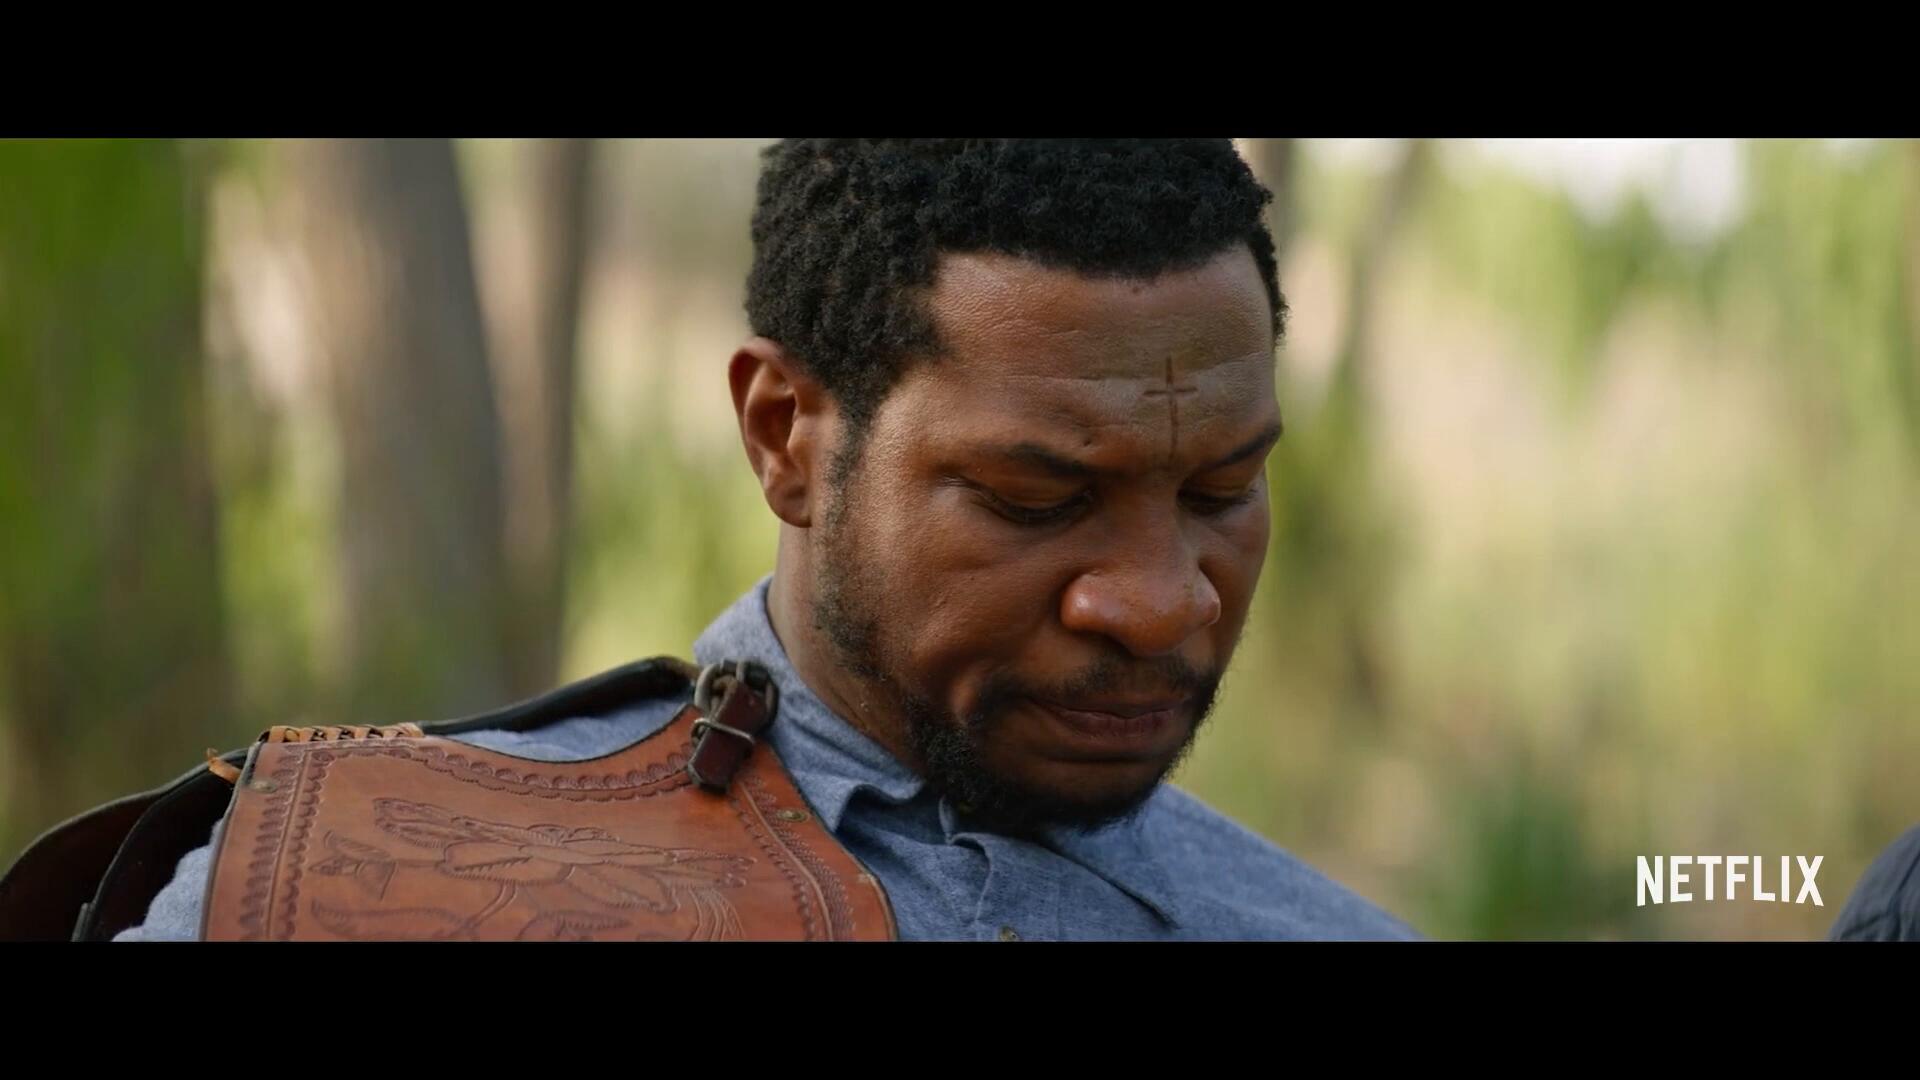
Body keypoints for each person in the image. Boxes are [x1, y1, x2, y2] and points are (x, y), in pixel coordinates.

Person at [4, 139, 1418, 942]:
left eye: (1222, 490)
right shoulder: (339, 886)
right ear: (786, 435)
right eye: (1033, 499)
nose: (1163, 604)